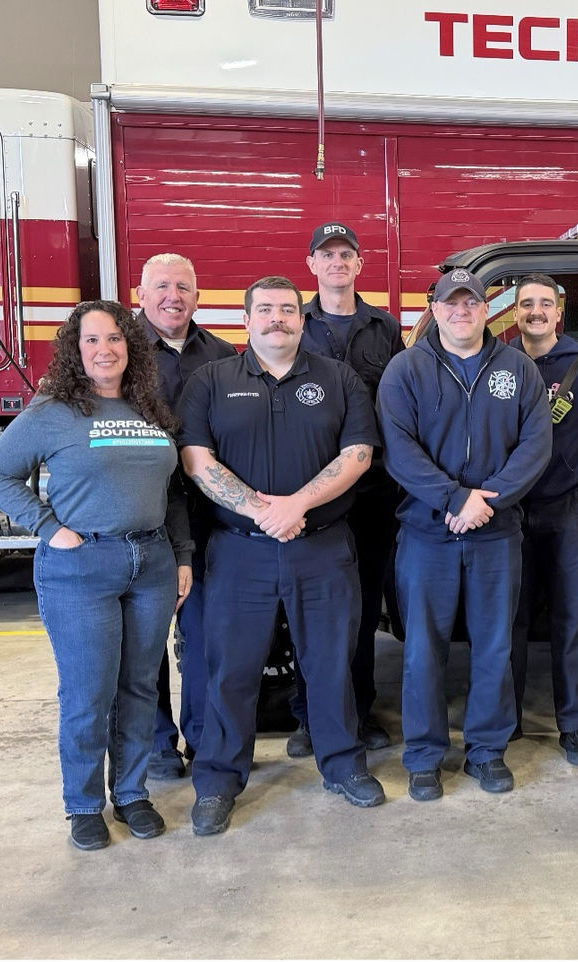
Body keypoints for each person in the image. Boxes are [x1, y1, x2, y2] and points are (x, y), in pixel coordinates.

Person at [0, 300, 192, 851]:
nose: (105, 350)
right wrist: (49, 527)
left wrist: (182, 555)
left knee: (141, 686)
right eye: (93, 341)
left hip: (152, 563)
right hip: (81, 567)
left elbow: (170, 492)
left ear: (132, 348)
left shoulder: (149, 407)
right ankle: (83, 804)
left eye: (116, 340)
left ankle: (130, 793)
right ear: (76, 351)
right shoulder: (53, 411)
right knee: (87, 693)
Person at [178, 275, 382, 835]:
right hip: (238, 552)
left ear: (302, 319)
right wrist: (261, 511)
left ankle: (343, 765)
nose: (277, 319)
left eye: (288, 310)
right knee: (231, 672)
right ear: (246, 320)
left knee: (329, 664)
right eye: (264, 310)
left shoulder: (337, 378)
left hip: (322, 548)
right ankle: (218, 780)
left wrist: (298, 505)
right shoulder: (210, 381)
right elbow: (197, 460)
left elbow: (359, 453)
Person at [377, 268, 551, 801]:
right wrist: (454, 499)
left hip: (496, 535)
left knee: (495, 646)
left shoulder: (518, 369)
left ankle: (486, 751)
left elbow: (535, 446)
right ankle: (424, 756)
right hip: (427, 535)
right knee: (423, 650)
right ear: (435, 309)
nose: (460, 312)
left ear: (485, 309)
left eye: (470, 303)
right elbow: (399, 449)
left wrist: (487, 500)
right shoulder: (405, 370)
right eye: (450, 304)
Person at [286, 222, 405, 758]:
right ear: (311, 263)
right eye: (327, 254)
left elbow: (401, 406)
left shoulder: (384, 327)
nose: (337, 262)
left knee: (361, 604)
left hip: (374, 492)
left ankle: (359, 707)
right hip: (309, 493)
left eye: (347, 254)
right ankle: (308, 714)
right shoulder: (291, 322)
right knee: (309, 608)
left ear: (360, 264)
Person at [508, 273, 578, 766]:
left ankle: (573, 724)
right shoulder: (500, 364)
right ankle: (504, 718)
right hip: (507, 514)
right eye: (525, 304)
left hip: (566, 514)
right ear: (515, 314)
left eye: (544, 304)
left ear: (559, 312)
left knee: (571, 620)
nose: (535, 311)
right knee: (505, 622)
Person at [134, 252, 236, 780]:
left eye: (184, 287)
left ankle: (202, 738)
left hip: (206, 518)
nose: (173, 296)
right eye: (162, 286)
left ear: (198, 296)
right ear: (141, 293)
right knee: (146, 638)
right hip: (143, 516)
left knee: (203, 637)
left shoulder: (221, 356)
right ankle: (155, 744)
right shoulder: (118, 353)